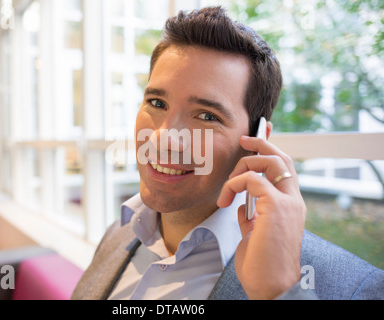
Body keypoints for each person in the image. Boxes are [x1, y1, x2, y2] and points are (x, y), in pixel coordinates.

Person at [72, 6, 383, 300]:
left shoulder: (354, 286)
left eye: (207, 116)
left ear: (257, 139)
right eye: (157, 102)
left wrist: (278, 292)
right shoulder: (119, 232)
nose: (163, 138)